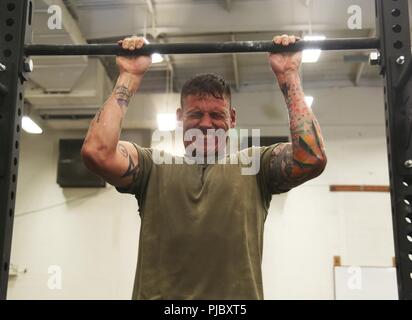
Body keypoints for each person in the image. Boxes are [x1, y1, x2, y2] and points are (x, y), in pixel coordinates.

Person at [81, 34, 327, 300]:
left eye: (217, 114)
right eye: (196, 114)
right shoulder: (152, 168)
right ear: (179, 118)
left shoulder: (256, 167)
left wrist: (289, 75)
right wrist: (128, 76)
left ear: (232, 119)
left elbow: (311, 158)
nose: (206, 124)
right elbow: (98, 152)